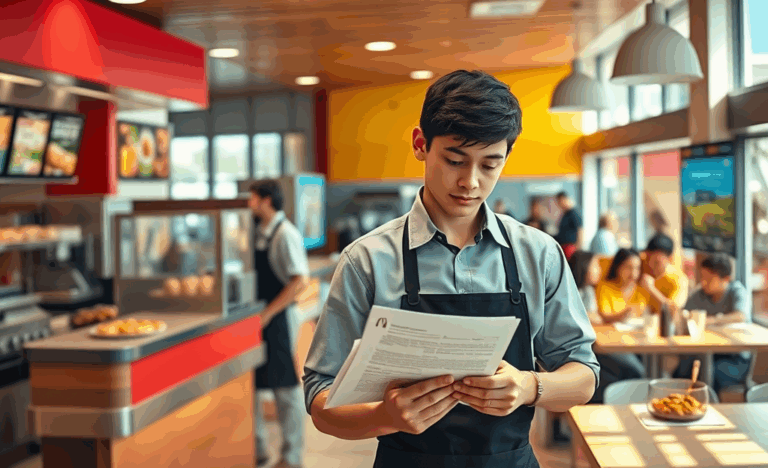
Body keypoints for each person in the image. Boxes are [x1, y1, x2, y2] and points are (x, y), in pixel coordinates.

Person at [303, 70, 599, 468]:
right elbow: (320, 399)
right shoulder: (367, 261)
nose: (470, 182)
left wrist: (531, 385)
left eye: (490, 165)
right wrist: (383, 416)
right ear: (420, 144)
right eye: (454, 160)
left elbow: (584, 375)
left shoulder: (539, 254)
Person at [249, 180, 311, 468]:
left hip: (278, 319)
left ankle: (291, 456)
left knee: (285, 389)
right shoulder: (257, 232)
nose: (248, 203)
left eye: (251, 198)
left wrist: (269, 313)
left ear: (265, 201)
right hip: (259, 319)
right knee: (252, 385)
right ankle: (258, 449)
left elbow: (299, 281)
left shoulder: (285, 234)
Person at [673, 253, 751, 393]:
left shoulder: (737, 292)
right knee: (683, 370)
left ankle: (706, 407)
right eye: (702, 277)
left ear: (726, 279)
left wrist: (713, 320)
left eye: (709, 279)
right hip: (708, 354)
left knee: (707, 374)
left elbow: (740, 316)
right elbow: (684, 314)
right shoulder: (700, 294)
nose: (703, 282)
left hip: (735, 359)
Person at [592, 248, 650, 403]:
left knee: (649, 368)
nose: (633, 273)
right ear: (618, 267)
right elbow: (603, 317)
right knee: (638, 371)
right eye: (628, 267)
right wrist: (622, 314)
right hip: (612, 343)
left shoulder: (641, 290)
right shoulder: (605, 287)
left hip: (637, 342)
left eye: (637, 268)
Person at [639, 233, 688, 317]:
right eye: (647, 259)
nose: (650, 264)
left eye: (656, 262)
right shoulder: (638, 264)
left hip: (662, 325)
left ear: (670, 258)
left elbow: (674, 310)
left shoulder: (679, 280)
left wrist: (651, 289)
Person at [568, 250, 603, 325]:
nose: (600, 270)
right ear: (584, 266)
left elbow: (597, 319)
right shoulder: (568, 291)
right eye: (596, 265)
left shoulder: (588, 290)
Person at [554, 191, 582, 260]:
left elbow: (580, 231)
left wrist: (578, 249)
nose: (559, 204)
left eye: (560, 201)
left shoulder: (574, 213)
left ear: (564, 199)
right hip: (563, 247)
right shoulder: (565, 214)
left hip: (571, 248)